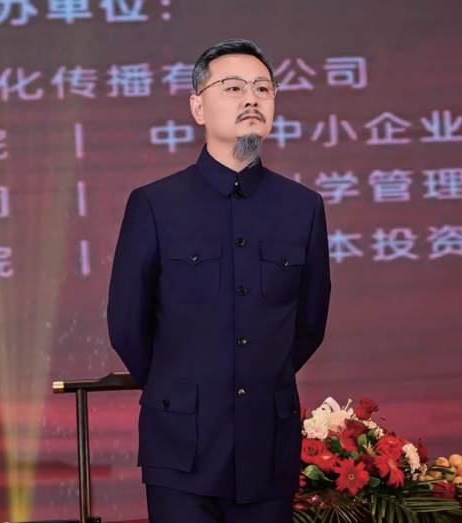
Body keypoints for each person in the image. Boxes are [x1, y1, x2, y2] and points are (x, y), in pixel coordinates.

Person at [107, 38, 331, 523]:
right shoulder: (155, 204)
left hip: (267, 445)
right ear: (197, 108)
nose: (251, 99)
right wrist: (181, 386)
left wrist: (257, 374)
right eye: (233, 88)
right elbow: (127, 325)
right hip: (181, 447)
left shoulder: (303, 208)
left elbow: (309, 324)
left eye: (263, 88)